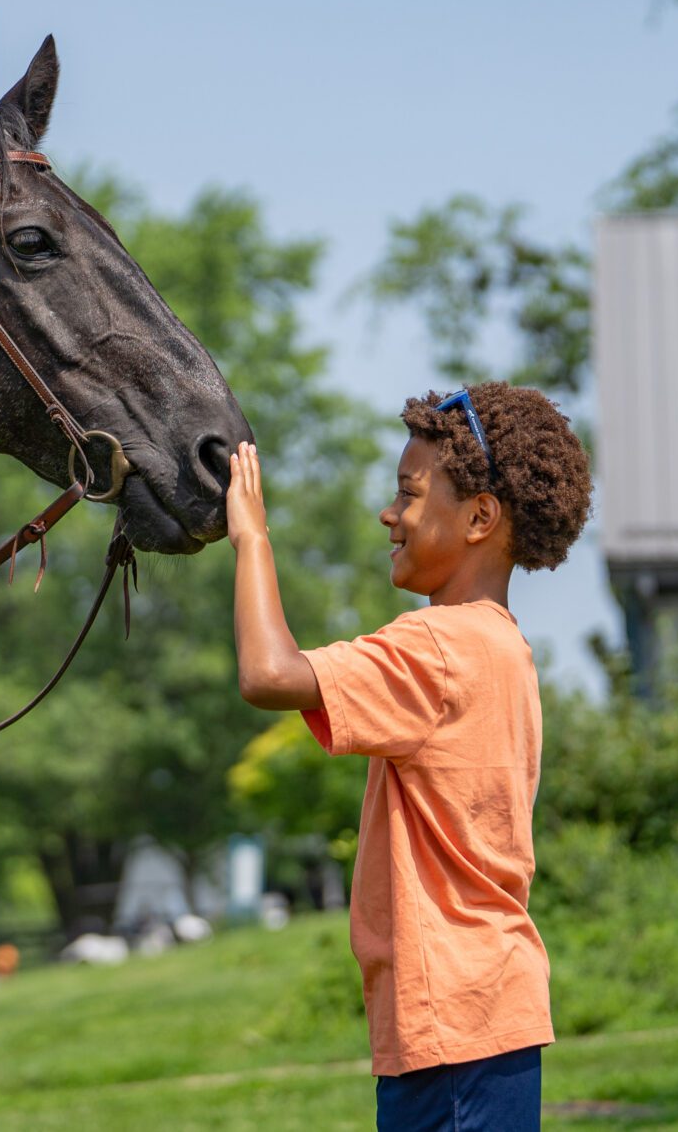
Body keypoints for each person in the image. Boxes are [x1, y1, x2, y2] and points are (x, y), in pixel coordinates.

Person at [224, 383, 592, 1132]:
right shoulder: (503, 646)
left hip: (451, 1022)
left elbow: (269, 672)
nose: (389, 515)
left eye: (409, 494)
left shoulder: (439, 646)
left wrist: (253, 539)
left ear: (481, 517)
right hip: (487, 1011)